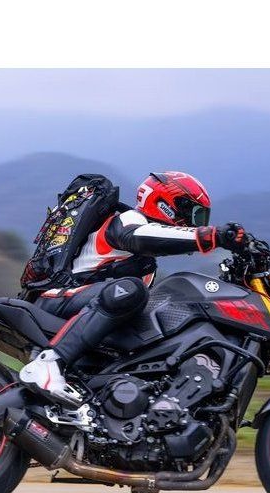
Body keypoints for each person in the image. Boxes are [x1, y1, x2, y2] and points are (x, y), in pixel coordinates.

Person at [19, 171, 248, 405]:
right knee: (132, 290)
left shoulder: (146, 265)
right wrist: (211, 236)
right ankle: (50, 362)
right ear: (167, 204)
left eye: (201, 218)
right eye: (193, 213)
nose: (195, 223)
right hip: (60, 299)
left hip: (85, 311)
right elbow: (140, 237)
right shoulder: (129, 220)